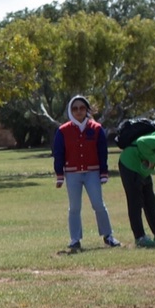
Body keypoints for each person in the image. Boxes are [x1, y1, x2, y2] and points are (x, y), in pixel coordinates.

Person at [52, 95, 119, 251]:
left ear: (87, 110)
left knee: (98, 204)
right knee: (74, 207)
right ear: (70, 110)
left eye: (82, 108)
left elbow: (102, 152)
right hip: (72, 173)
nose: (78, 111)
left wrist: (103, 172)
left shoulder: (96, 128)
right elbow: (59, 152)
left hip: (92, 172)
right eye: (75, 108)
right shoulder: (63, 130)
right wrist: (59, 174)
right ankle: (75, 239)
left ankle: (108, 236)